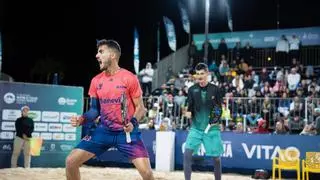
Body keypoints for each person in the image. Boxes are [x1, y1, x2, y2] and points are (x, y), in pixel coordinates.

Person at [66, 39, 154, 180]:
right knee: (71, 161)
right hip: (103, 131)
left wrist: (133, 123)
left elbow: (141, 109)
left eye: (101, 52)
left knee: (147, 174)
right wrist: (82, 119)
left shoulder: (129, 78)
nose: (97, 55)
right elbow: (94, 110)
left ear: (112, 55)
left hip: (127, 133)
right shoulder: (96, 81)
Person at [184, 63, 224, 180]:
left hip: (212, 129)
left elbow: (218, 108)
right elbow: (190, 107)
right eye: (197, 74)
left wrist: (215, 119)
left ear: (207, 74)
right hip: (196, 128)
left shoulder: (215, 89)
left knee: (216, 158)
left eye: (202, 73)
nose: (199, 76)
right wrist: (188, 112)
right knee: (187, 154)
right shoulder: (192, 90)